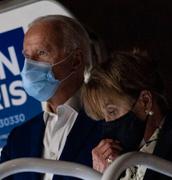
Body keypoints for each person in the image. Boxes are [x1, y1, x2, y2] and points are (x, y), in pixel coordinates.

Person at [0, 15, 104, 180]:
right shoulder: (19, 138)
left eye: (42, 53)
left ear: (76, 60)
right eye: (27, 56)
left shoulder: (108, 121)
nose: (29, 66)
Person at [82, 50, 172, 180]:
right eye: (103, 116)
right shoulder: (120, 159)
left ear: (145, 101)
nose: (108, 123)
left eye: (112, 112)